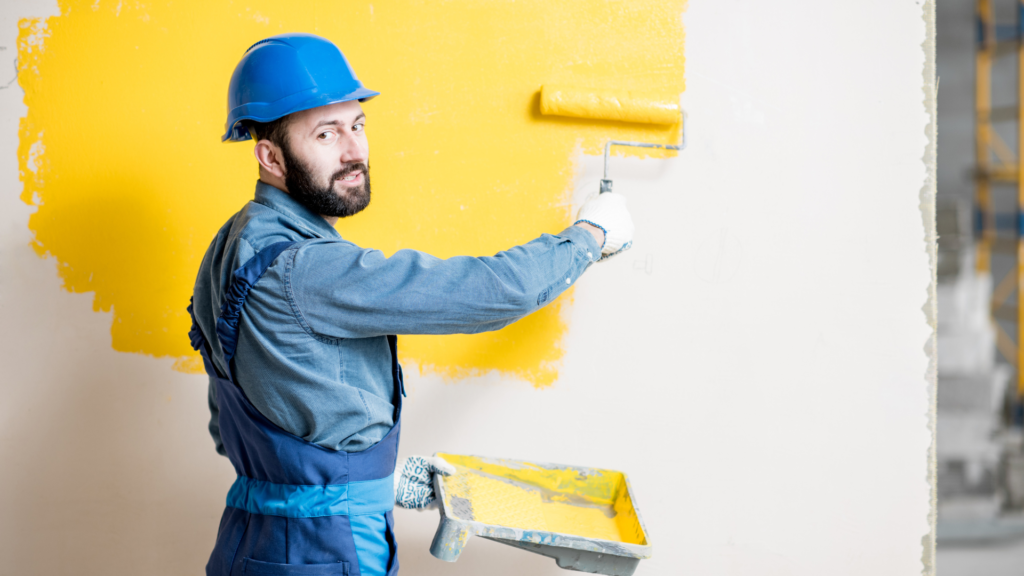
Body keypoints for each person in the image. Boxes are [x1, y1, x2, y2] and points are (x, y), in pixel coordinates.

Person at [187, 33, 634, 576]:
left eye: (357, 125)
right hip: (326, 552)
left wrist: (369, 480)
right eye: (326, 134)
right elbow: (489, 291)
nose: (354, 151)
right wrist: (590, 235)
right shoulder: (308, 269)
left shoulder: (232, 245)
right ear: (270, 156)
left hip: (250, 544)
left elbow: (235, 421)